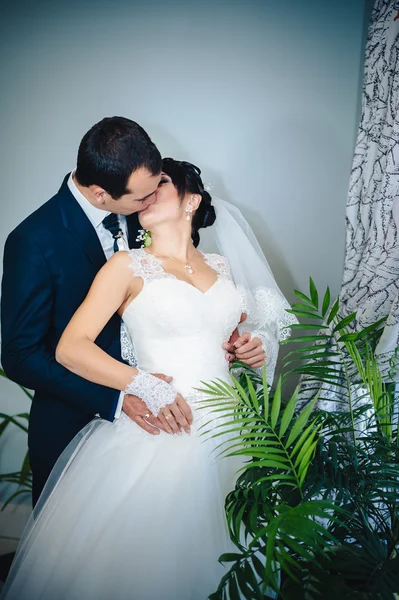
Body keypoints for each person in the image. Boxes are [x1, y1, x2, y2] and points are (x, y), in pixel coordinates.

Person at [0, 158, 296, 600]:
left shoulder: (221, 266)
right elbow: (71, 346)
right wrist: (143, 384)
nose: (148, 196)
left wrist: (255, 346)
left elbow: (238, 334)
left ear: (191, 201)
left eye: (161, 186)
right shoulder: (127, 265)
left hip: (233, 430)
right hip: (161, 425)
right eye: (146, 189)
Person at [0, 117, 264, 506]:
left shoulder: (146, 208)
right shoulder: (34, 240)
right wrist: (123, 394)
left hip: (197, 419)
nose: (152, 198)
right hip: (77, 418)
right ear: (100, 193)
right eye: (143, 197)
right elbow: (21, 355)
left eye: (159, 184)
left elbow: (191, 299)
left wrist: (237, 341)